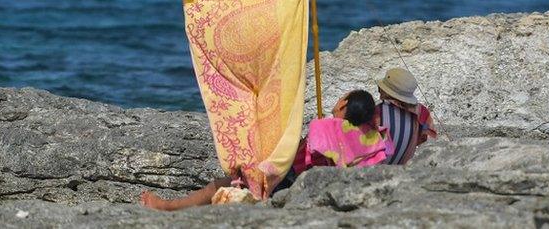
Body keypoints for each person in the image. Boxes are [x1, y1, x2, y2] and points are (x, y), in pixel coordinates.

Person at [141, 90, 387, 211]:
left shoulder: (325, 128)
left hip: (288, 182)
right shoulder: (366, 136)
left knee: (222, 183)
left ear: (343, 103)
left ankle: (168, 207)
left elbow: (300, 155)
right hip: (317, 184)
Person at [373, 68, 437, 165]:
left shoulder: (375, 111)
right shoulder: (422, 113)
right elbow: (422, 140)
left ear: (382, 90)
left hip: (372, 171)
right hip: (401, 171)